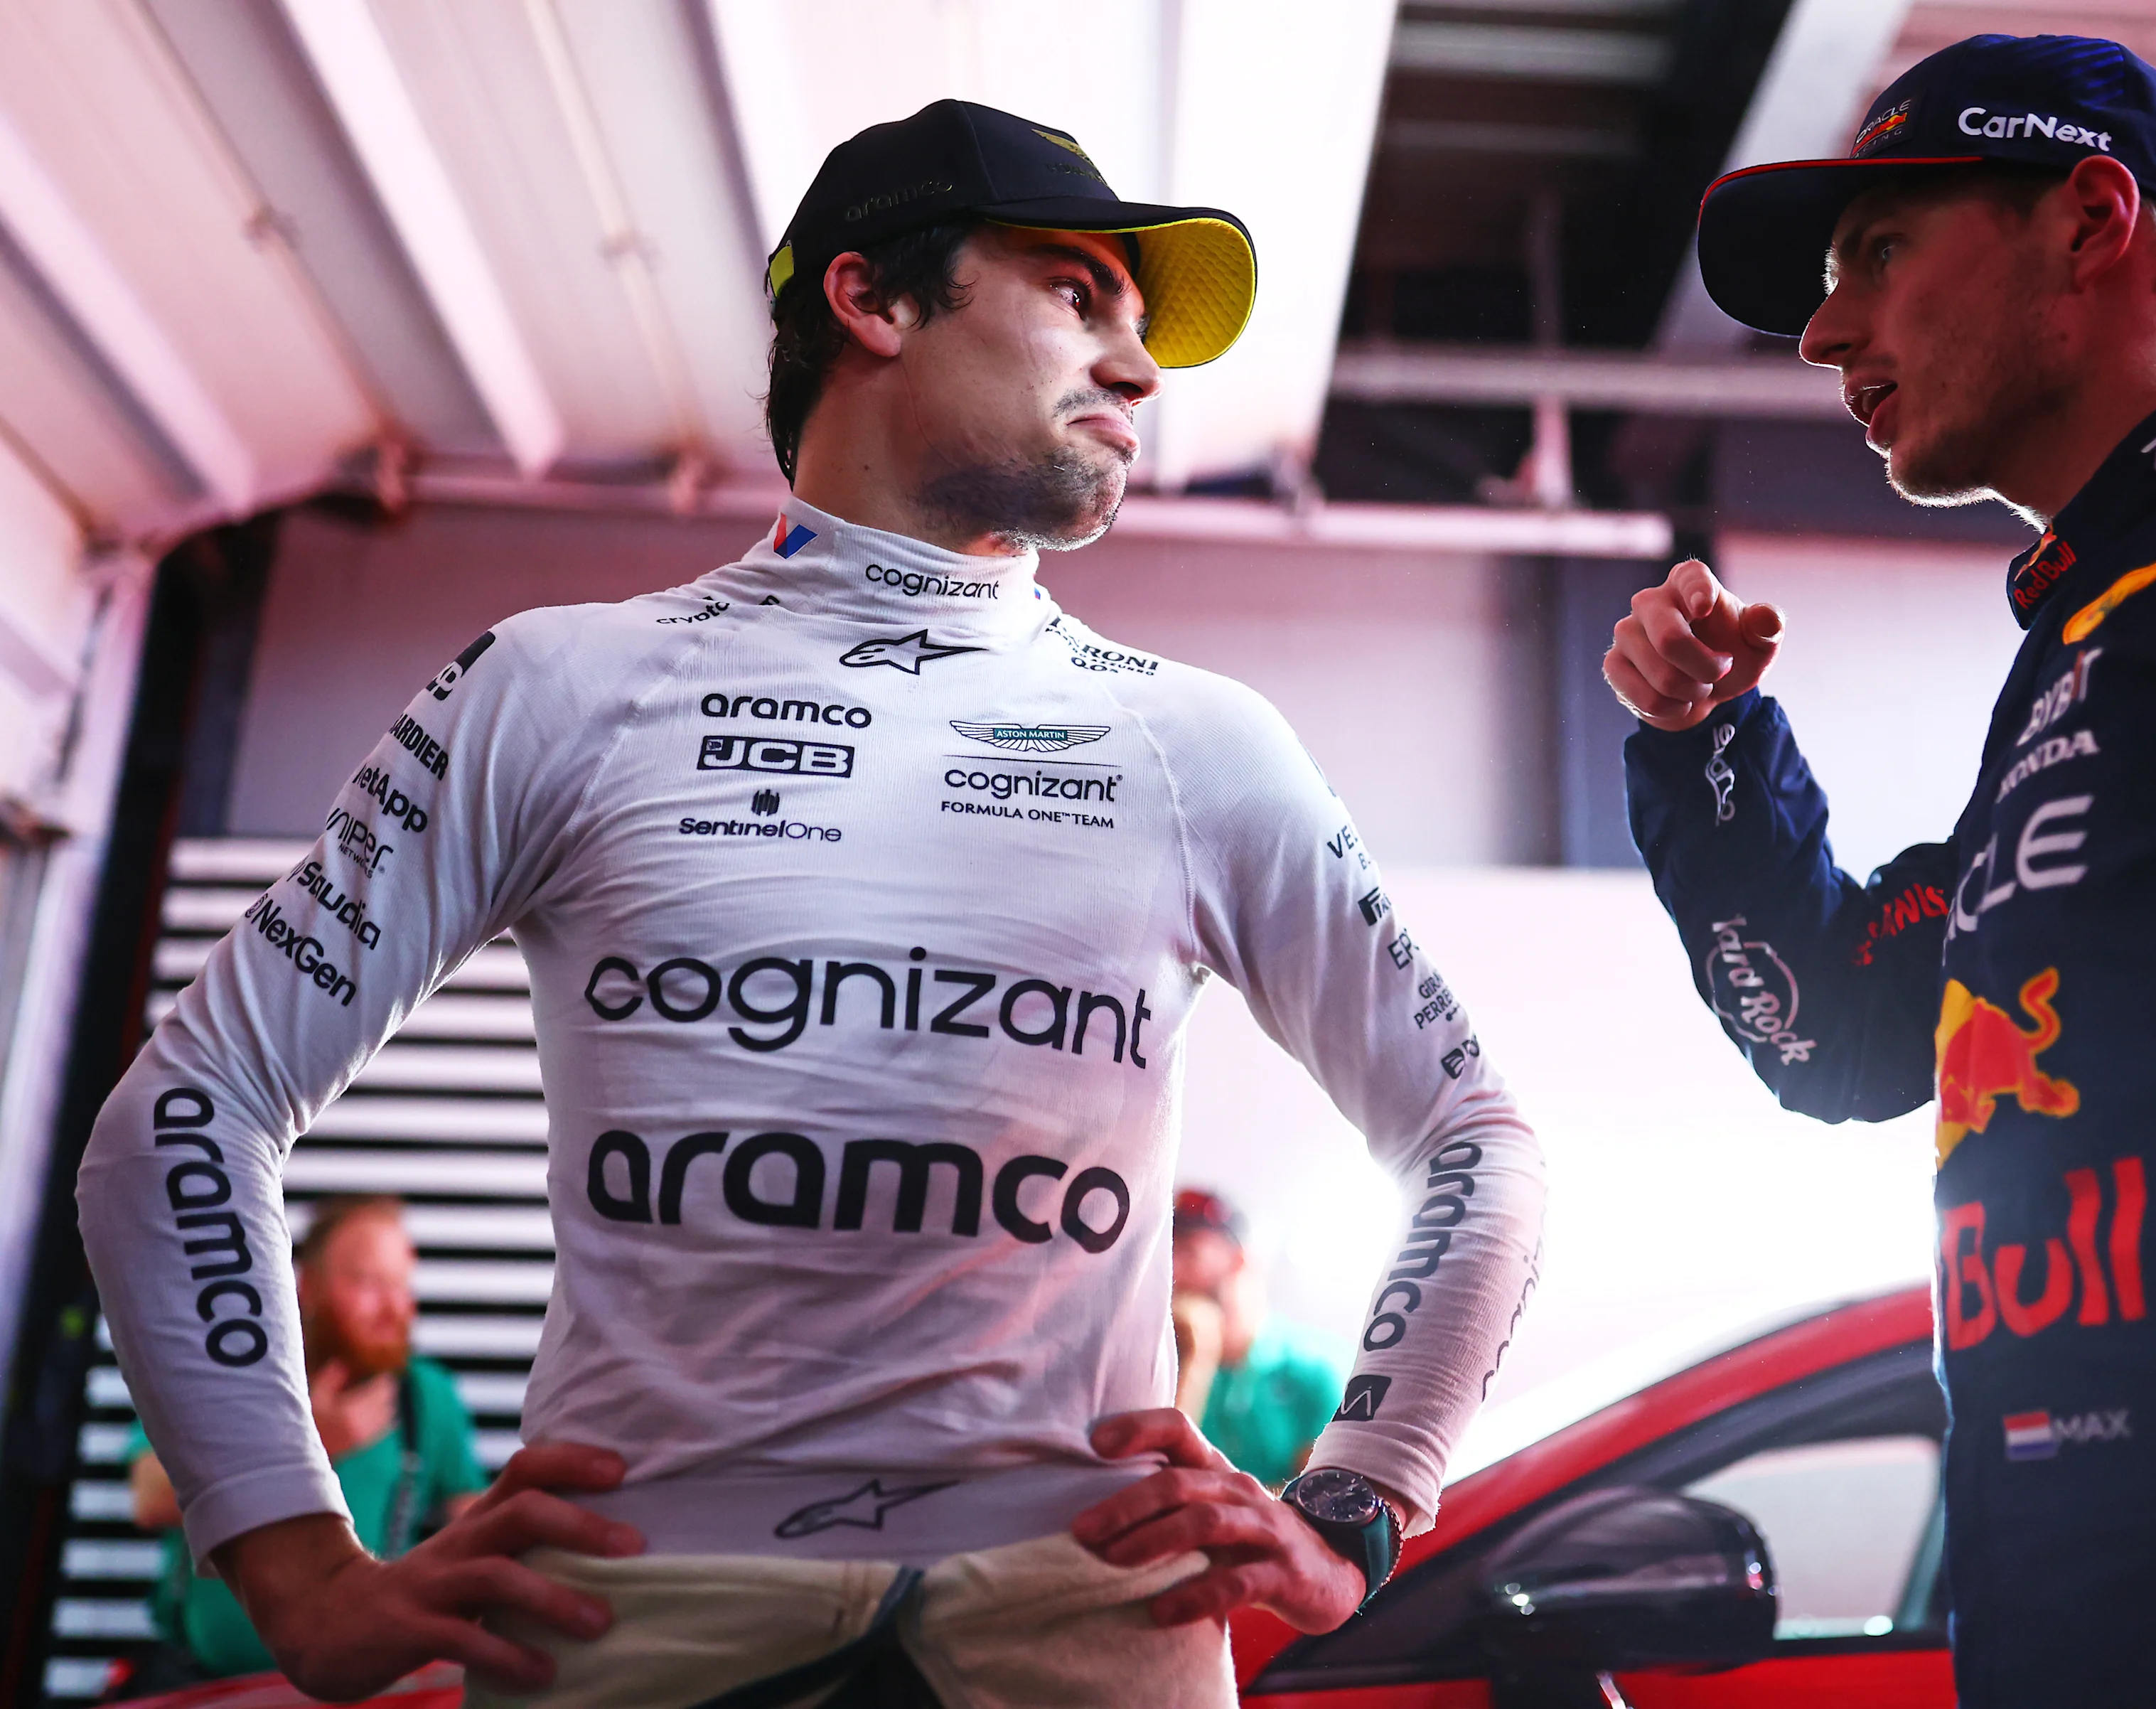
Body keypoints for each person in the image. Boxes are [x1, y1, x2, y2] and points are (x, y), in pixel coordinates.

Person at [77, 99, 1545, 1709]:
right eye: (1076, 293)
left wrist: (1356, 1496)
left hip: (1083, 1611)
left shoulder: (1201, 741)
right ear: (871, 299)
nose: (1137, 368)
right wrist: (292, 1563)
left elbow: (1476, 1139)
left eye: (1141, 327)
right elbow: (187, 1112)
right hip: (631, 1613)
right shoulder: (558, 686)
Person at [1604, 31, 2156, 1709]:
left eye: (1877, 253)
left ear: (2091, 216)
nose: (1822, 331)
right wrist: (1704, 751)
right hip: (2086, 1620)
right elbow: (1842, 1027)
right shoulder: (2097, 635)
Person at [121, 1196, 485, 1686]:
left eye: (401, 1284)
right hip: (199, 1687)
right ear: (307, 1285)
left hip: (358, 1692)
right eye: (367, 1282)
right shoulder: (218, 1373)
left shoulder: (426, 1397)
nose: (394, 1307)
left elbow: (474, 1530)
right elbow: (151, 1499)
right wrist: (304, 1443)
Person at [1168, 1189, 1348, 1488]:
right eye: (1168, 1253)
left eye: (1188, 1252)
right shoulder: (1165, 1365)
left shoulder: (1312, 1372)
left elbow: (1324, 1500)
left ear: (1238, 1260)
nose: (1173, 1270)